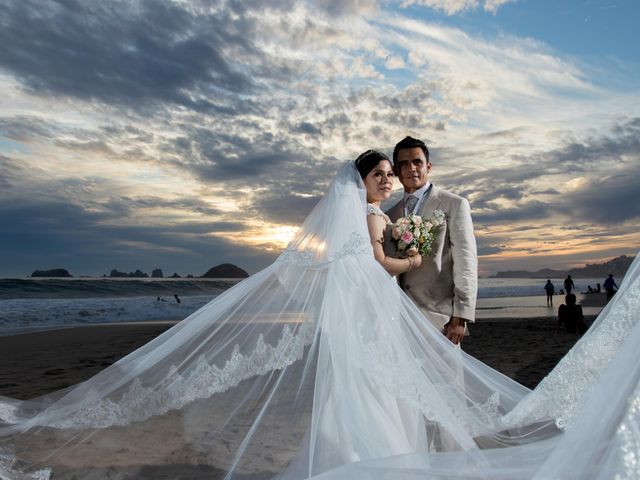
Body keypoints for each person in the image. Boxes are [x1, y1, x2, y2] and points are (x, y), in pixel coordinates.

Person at [0, 157, 639, 480]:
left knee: (362, 390)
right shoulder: (370, 218)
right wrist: (407, 255)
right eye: (382, 174)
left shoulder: (371, 215)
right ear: (362, 180)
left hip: (362, 322)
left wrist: (403, 253)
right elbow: (377, 268)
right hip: (368, 318)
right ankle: (368, 460)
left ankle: (358, 456)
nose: (390, 181)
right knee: (369, 391)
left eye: (394, 174)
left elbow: (367, 267)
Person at [386, 136, 477, 345]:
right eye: (404, 164)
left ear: (428, 166)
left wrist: (460, 316)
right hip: (400, 319)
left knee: (445, 378)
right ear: (398, 171)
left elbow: (466, 262)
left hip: (441, 320)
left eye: (417, 162)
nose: (412, 168)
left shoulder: (454, 204)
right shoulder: (390, 214)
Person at [355, 150, 422, 276]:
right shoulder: (372, 214)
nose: (386, 180)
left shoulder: (362, 212)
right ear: (361, 180)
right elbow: (379, 262)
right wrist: (412, 262)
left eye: (390, 174)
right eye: (378, 174)